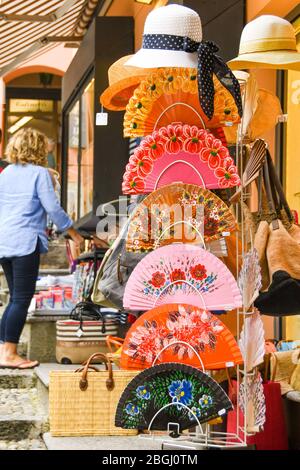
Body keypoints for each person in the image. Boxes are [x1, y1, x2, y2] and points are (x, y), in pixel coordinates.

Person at [0, 128, 84, 369]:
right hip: (25, 241)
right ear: (38, 149)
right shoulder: (39, 174)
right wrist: (74, 234)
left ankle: (3, 350)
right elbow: (53, 208)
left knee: (14, 298)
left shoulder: (4, 174)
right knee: (21, 299)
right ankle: (10, 353)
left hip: (4, 242)